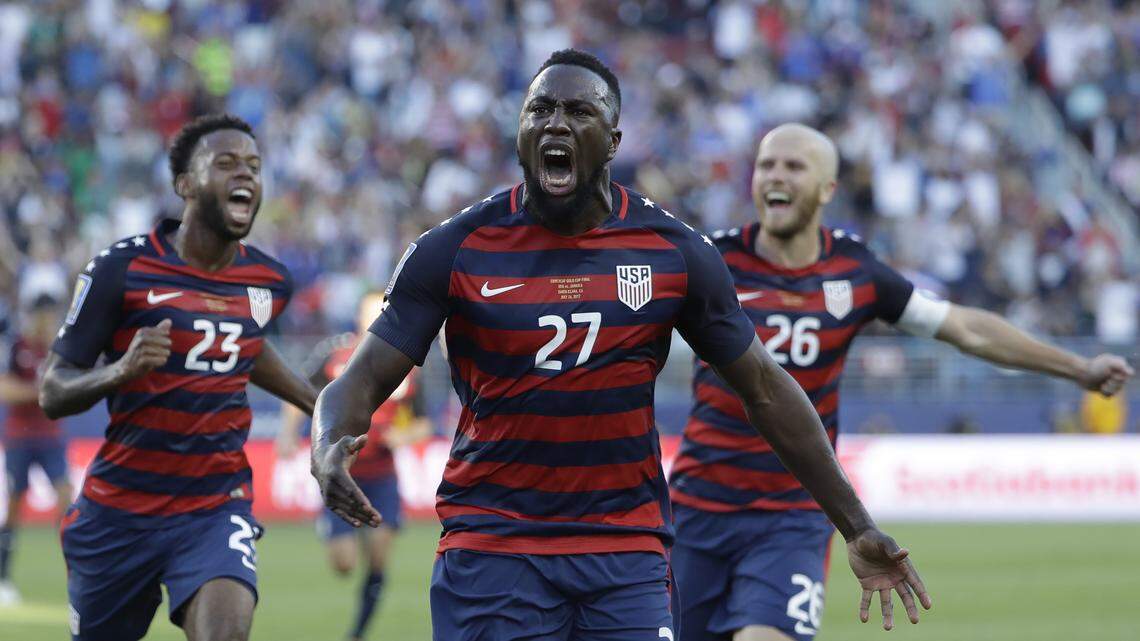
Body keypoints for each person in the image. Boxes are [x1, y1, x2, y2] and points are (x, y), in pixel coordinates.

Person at [311, 50, 931, 641]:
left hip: (625, 551)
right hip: (494, 544)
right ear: (521, 132)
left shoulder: (675, 253)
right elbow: (359, 381)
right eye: (539, 110)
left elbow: (765, 390)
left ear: (613, 141)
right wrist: (326, 442)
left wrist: (855, 526)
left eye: (579, 112)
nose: (555, 122)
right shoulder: (454, 249)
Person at [669, 123, 1135, 641]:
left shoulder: (856, 271)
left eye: (793, 166)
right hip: (695, 511)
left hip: (795, 516)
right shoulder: (713, 261)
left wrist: (1077, 367)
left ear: (827, 189)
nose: (775, 176)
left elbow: (964, 328)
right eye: (766, 165)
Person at [39, 114, 318, 641]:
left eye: (255, 166)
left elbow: (244, 346)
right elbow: (53, 391)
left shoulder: (269, 281)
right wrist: (120, 371)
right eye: (227, 163)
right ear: (185, 184)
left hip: (214, 507)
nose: (246, 176)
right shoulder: (121, 269)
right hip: (119, 511)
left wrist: (320, 405)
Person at [277, 291, 431, 641]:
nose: (377, 315)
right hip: (340, 471)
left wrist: (403, 437)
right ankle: (330, 521)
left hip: (383, 475)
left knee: (378, 557)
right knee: (345, 564)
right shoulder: (336, 353)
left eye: (383, 309)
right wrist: (287, 434)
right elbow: (299, 389)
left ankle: (357, 634)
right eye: (371, 310)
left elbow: (423, 423)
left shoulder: (407, 361)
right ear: (359, 315)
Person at [0, 293, 71, 606]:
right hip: (20, 438)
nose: (48, 323)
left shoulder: (60, 349)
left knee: (68, 503)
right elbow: (5, 389)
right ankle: (2, 579)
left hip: (50, 437)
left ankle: (80, 578)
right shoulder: (16, 347)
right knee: (14, 508)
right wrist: (40, 391)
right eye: (44, 316)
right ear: (33, 317)